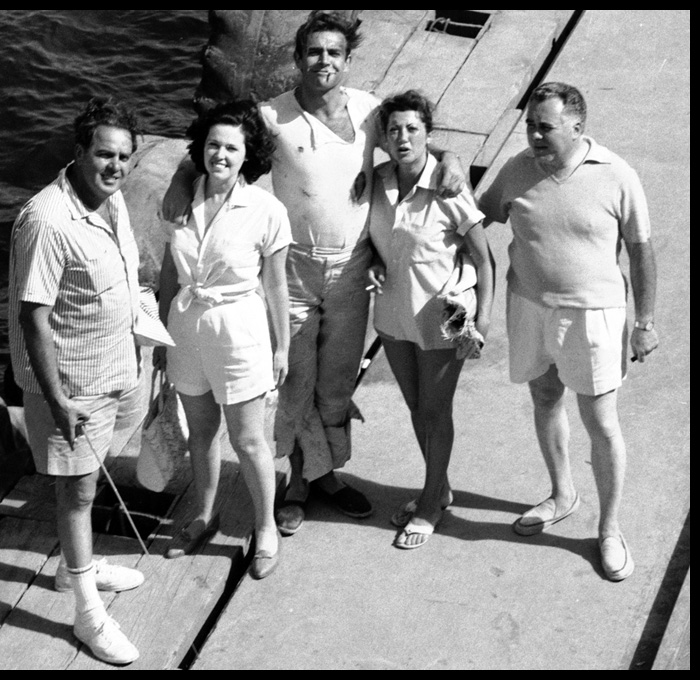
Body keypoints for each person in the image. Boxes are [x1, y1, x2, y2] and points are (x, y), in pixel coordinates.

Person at [163, 10, 467, 537]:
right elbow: (217, 142)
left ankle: (325, 475)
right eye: (313, 51)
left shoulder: (371, 111)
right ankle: (299, 484)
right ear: (297, 57)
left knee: (335, 381)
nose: (323, 61)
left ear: (348, 61)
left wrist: (453, 156)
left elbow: (413, 142)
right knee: (296, 378)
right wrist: (182, 174)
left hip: (353, 270)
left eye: (333, 53)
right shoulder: (271, 115)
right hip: (294, 269)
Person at [478, 82, 659, 581]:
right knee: (544, 397)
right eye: (530, 125)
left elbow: (642, 252)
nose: (535, 135)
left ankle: (609, 528)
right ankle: (562, 494)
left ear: (578, 127)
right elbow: (476, 216)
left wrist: (644, 322)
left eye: (545, 127)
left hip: (594, 315)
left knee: (600, 421)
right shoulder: (517, 169)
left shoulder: (617, 175)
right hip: (529, 307)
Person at [8, 96, 146, 665]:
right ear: (79, 152)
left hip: (113, 367)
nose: (115, 166)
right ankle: (88, 615)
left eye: (124, 157)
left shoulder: (110, 202)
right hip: (72, 383)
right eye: (104, 155)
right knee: (77, 490)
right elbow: (32, 315)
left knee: (89, 479)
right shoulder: (46, 219)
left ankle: (75, 569)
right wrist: (57, 398)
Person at [154, 100, 291, 580]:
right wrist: (158, 335)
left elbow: (276, 286)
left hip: (240, 332)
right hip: (185, 330)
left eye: (232, 147)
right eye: (213, 144)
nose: (221, 154)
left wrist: (282, 347)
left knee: (249, 439)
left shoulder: (267, 210)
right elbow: (171, 270)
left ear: (247, 154)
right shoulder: (181, 200)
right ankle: (204, 514)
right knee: (201, 432)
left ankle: (266, 527)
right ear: (201, 149)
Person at [365, 91, 494, 549]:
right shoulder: (376, 182)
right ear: (383, 137)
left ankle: (429, 503)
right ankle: (438, 487)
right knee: (418, 408)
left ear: (428, 135)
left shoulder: (448, 186)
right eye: (394, 129)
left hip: (447, 314)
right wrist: (375, 266)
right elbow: (378, 245)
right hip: (393, 316)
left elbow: (484, 256)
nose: (403, 137)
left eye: (412, 129)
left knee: (436, 412)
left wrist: (486, 319)